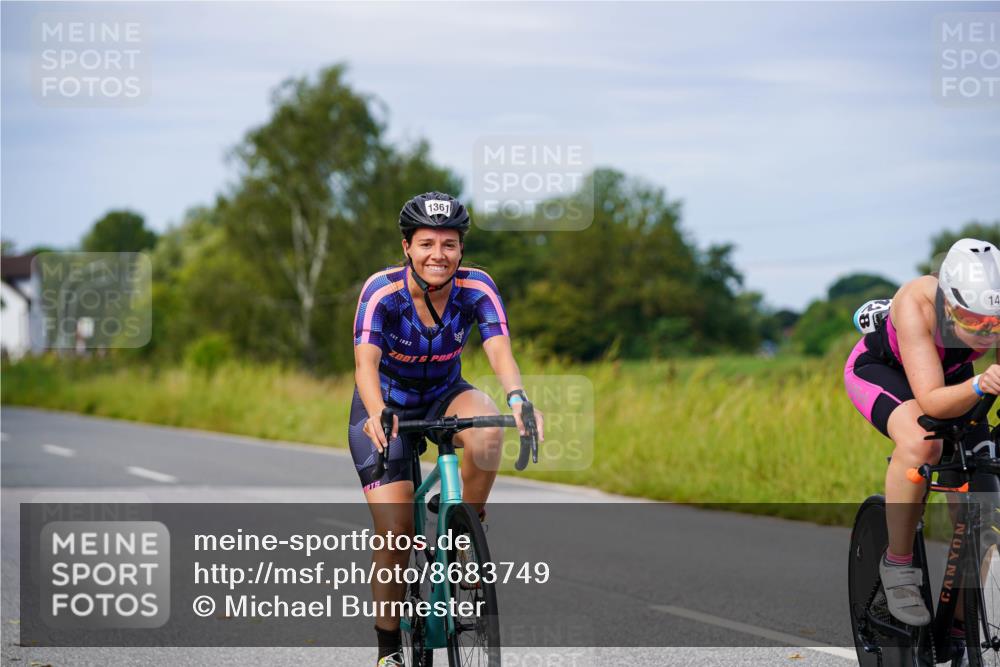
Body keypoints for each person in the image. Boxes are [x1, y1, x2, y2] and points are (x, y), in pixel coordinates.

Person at [349, 191, 544, 666]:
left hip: (445, 391)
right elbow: (365, 364)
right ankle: (388, 651)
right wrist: (377, 412)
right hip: (387, 404)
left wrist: (518, 396)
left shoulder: (476, 287)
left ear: (461, 248)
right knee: (396, 534)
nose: (438, 254)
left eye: (449, 244)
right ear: (407, 247)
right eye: (427, 243)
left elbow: (498, 347)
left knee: (489, 429)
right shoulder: (382, 292)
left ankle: (462, 533)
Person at [845, 238, 1000, 642]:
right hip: (885, 370)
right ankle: (897, 565)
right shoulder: (918, 302)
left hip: (952, 378)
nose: (986, 334)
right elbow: (931, 401)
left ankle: (963, 625)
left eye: (995, 324)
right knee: (923, 442)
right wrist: (981, 383)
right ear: (949, 304)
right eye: (974, 322)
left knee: (984, 500)